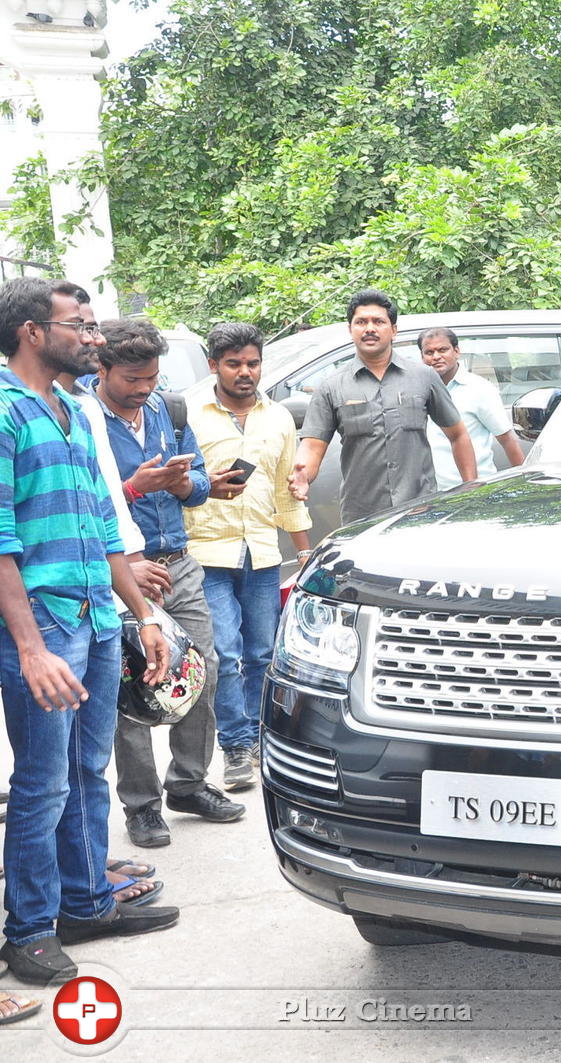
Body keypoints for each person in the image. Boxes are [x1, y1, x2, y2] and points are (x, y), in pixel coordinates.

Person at [0, 278, 177, 989]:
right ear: (33, 332)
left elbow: (105, 526)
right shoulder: (6, 412)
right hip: (44, 625)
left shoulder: (72, 409)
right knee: (42, 785)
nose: (94, 337)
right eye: (81, 324)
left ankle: (86, 902)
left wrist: (142, 615)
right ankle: (30, 928)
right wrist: (31, 648)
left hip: (98, 621)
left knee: (85, 774)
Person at [94, 319, 245, 847]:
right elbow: (91, 507)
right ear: (103, 369)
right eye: (132, 379)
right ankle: (140, 804)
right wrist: (134, 489)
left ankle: (188, 782)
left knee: (204, 667)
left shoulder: (168, 409)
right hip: (124, 568)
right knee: (136, 681)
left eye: (152, 378)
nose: (143, 389)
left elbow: (201, 485)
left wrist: (187, 483)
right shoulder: (85, 420)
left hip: (178, 561)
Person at [187, 322, 313, 791]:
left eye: (253, 363)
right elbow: (179, 486)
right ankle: (236, 747)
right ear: (214, 365)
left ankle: (260, 740)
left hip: (260, 553)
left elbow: (288, 494)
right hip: (205, 551)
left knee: (262, 652)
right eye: (234, 363)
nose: (245, 372)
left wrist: (304, 555)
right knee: (222, 653)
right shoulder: (190, 415)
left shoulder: (278, 417)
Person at [290, 289, 475, 522]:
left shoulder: (424, 377)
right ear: (350, 330)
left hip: (420, 510)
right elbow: (313, 446)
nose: (369, 328)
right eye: (361, 322)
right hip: (361, 517)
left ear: (393, 330)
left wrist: (470, 487)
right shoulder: (331, 386)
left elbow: (458, 434)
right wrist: (303, 475)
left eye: (378, 321)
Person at [420, 326, 524, 489]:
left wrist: (524, 484)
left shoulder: (479, 389)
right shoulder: (418, 390)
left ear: (456, 351)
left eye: (443, 350)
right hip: (431, 496)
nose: (436, 357)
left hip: (476, 491)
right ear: (422, 357)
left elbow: (507, 439)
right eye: (429, 352)